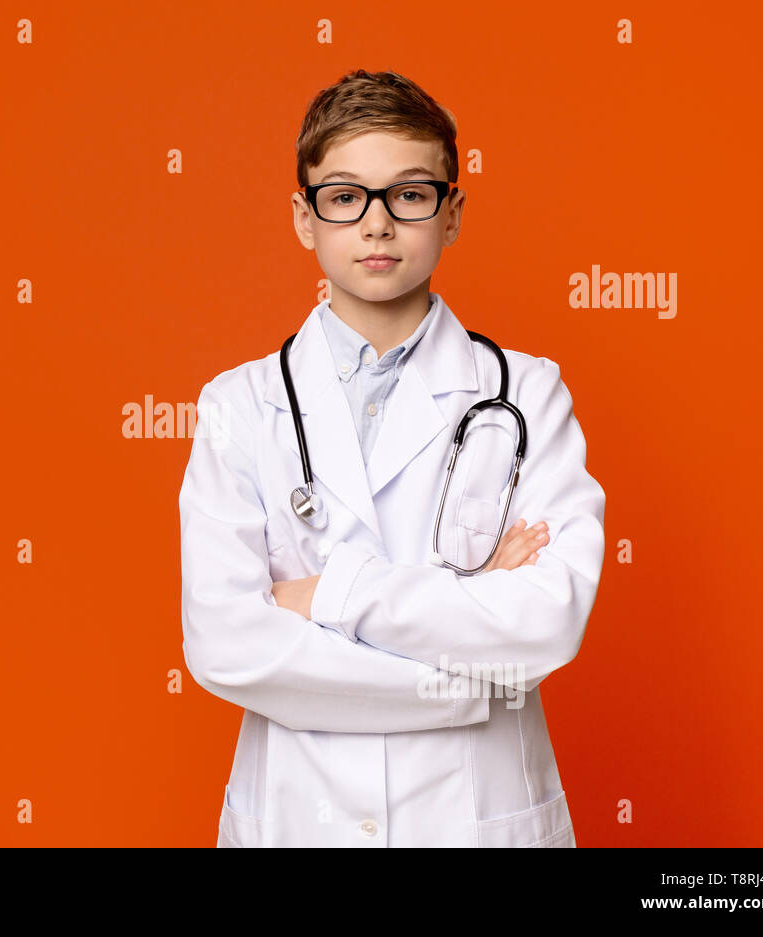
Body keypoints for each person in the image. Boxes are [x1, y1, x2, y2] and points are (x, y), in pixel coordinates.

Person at [178, 69, 607, 847]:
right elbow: (226, 645)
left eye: (409, 194)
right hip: (298, 817)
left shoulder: (528, 393)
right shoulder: (238, 406)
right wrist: (467, 666)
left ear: (452, 213)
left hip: (475, 820)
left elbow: (546, 622)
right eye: (345, 197)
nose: (377, 224)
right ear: (304, 218)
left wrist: (330, 594)